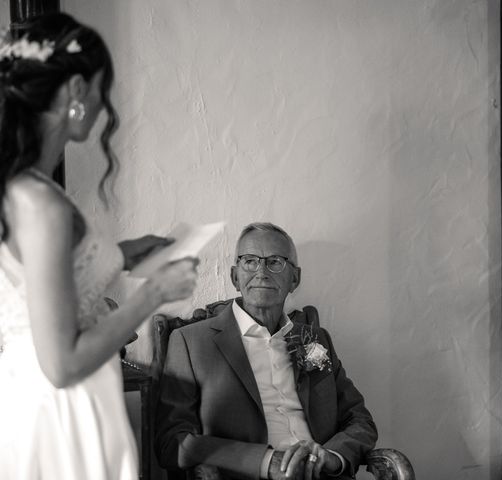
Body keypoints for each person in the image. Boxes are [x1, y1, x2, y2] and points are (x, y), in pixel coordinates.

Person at [0, 13, 199, 480]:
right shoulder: (42, 204)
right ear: (74, 90)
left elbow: (45, 275)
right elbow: (63, 364)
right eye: (99, 88)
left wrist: (124, 253)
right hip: (62, 410)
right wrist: (155, 293)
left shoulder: (26, 189)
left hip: (39, 396)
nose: (102, 103)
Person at [155, 222, 377, 480]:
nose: (262, 272)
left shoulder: (315, 340)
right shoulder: (190, 342)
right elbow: (173, 442)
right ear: (235, 276)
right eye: (250, 261)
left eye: (275, 262)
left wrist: (331, 456)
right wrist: (265, 462)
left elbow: (359, 419)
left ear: (295, 278)